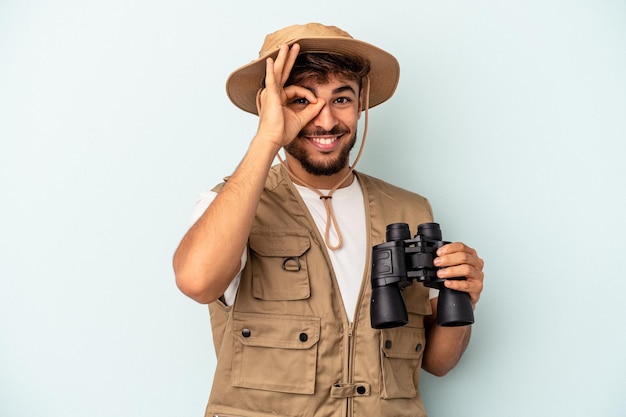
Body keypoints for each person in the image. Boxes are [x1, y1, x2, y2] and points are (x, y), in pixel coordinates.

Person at [173, 22, 485, 417]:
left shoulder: (409, 211)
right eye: (301, 101)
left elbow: (437, 363)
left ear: (361, 104)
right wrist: (267, 140)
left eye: (341, 99)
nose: (325, 122)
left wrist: (464, 298)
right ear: (267, 106)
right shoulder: (230, 206)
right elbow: (197, 281)